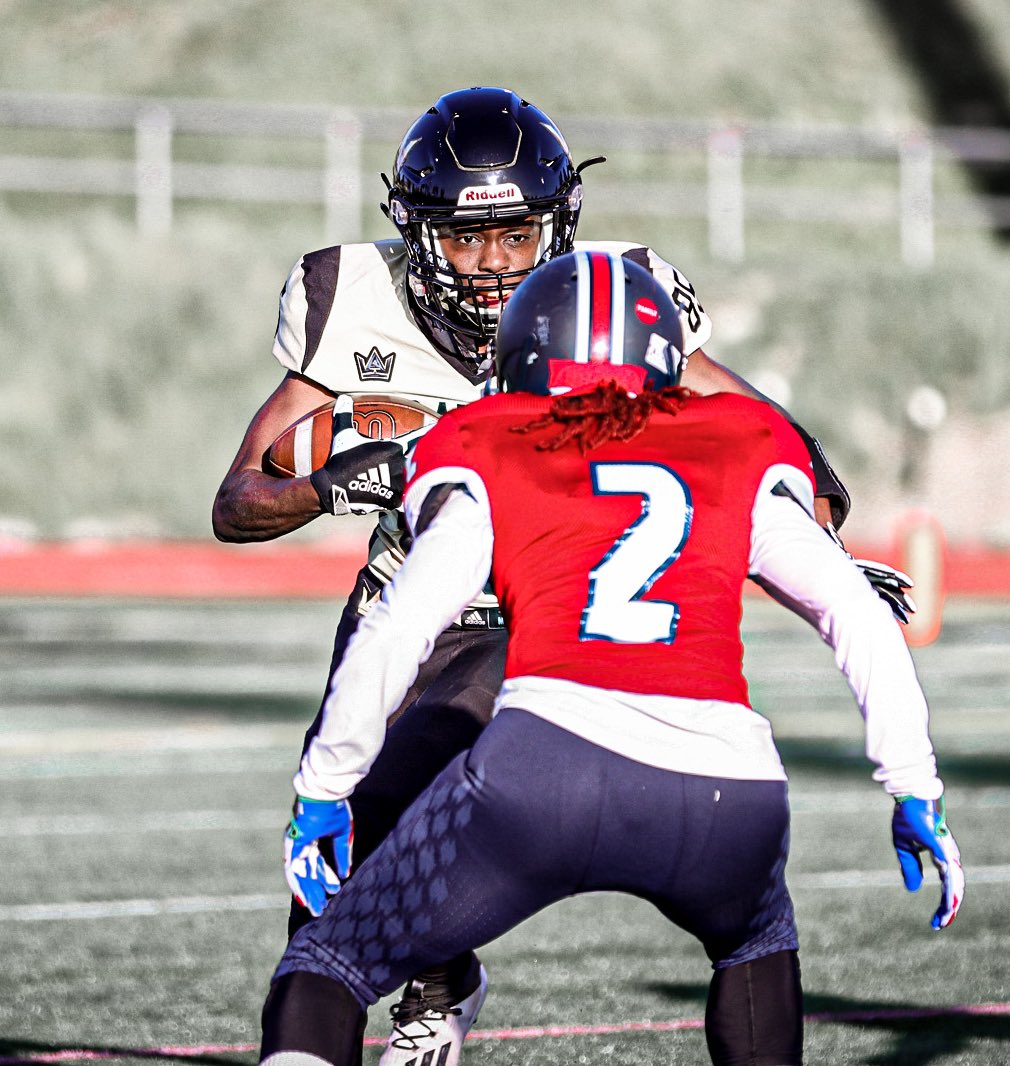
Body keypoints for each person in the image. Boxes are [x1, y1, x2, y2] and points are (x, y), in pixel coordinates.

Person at [213, 86, 907, 1065]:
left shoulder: (613, 298)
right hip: (410, 599)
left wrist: (810, 547)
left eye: (516, 233)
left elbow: (787, 455)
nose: (495, 264)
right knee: (329, 868)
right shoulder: (346, 297)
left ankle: (427, 978)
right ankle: (440, 977)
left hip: (547, 609)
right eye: (465, 236)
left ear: (559, 224)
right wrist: (335, 481)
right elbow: (237, 501)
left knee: (433, 769)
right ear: (415, 231)